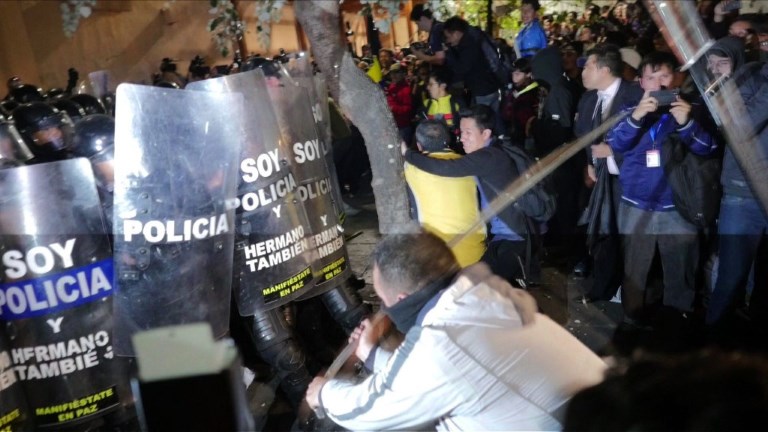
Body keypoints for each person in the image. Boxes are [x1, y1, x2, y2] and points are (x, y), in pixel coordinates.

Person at [305, 232, 607, 431]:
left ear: (400, 301)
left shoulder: (442, 343)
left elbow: (370, 409)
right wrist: (371, 354)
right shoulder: (482, 294)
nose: (383, 310)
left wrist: (324, 393)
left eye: (382, 302)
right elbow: (427, 379)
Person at [608, 52, 718, 325]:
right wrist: (636, 117)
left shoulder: (691, 109)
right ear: (641, 82)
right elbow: (616, 144)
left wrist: (687, 123)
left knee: (680, 270)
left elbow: (709, 149)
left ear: (676, 78)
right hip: (636, 204)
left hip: (677, 207)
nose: (658, 84)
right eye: (651, 77)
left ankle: (677, 322)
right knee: (635, 269)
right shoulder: (628, 110)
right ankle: (632, 321)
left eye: (664, 76)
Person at [402, 105, 531, 286]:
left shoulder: (488, 157)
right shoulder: (488, 154)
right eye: (461, 132)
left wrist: (408, 154)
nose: (462, 138)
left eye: (468, 133)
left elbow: (446, 168)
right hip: (500, 237)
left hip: (513, 237)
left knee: (481, 290)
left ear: (485, 134)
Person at [574, 43, 643, 299]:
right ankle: (603, 286)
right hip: (598, 179)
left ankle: (629, 290)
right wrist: (589, 163)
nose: (583, 72)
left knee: (627, 237)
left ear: (604, 69)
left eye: (588, 66)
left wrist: (612, 151)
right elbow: (582, 136)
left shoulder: (635, 95)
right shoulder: (589, 98)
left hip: (628, 178)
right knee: (602, 231)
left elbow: (646, 137)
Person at [404, 120, 485, 267]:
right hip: (476, 255)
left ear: (419, 145)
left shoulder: (411, 169)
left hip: (438, 261)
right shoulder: (470, 164)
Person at [442, 17, 503, 118]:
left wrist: (448, 53)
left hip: (482, 91)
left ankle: (499, 133)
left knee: (482, 120)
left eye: (448, 37)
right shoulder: (475, 37)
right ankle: (501, 134)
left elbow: (461, 69)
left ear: (456, 33)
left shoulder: (468, 46)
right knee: (494, 118)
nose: (448, 40)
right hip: (492, 85)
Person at [386, 63, 414, 143]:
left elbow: (408, 108)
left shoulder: (406, 89)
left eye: (396, 72)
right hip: (393, 126)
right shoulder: (391, 86)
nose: (393, 75)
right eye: (391, 73)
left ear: (403, 74)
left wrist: (393, 108)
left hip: (402, 127)